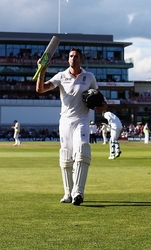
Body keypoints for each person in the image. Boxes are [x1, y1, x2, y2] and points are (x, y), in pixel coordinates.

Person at [36, 47, 104, 206]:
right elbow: (40, 89)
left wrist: (103, 105)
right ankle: (68, 193)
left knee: (81, 151)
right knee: (66, 157)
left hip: (82, 119)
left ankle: (78, 193)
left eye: (76, 56)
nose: (73, 58)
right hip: (65, 121)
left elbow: (98, 97)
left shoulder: (89, 77)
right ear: (68, 59)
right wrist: (41, 71)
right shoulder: (61, 76)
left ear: (81, 60)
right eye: (70, 56)